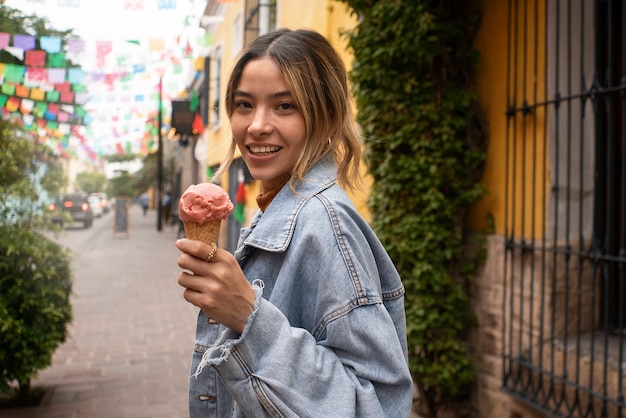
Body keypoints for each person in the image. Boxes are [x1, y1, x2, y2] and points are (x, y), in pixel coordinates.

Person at [175, 28, 413, 417]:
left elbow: (378, 404)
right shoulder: (274, 207)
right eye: (244, 105)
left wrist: (249, 317)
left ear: (327, 115)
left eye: (285, 106)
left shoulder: (325, 223)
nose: (256, 125)